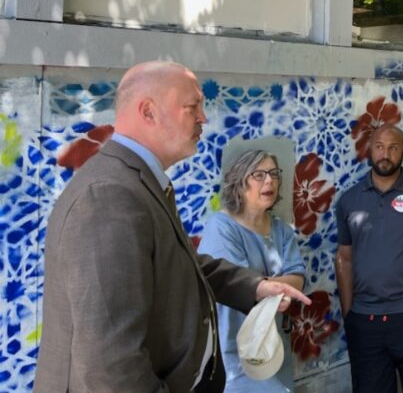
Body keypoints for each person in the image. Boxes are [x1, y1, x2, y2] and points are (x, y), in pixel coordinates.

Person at [35, 61, 310, 393]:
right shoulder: (108, 197)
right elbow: (109, 365)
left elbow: (177, 264)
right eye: (192, 107)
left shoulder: (137, 182)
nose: (203, 118)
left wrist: (255, 287)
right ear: (148, 112)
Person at [334, 124, 403, 393]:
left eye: (393, 147)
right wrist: (350, 314)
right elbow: (344, 259)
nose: (386, 153)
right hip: (365, 320)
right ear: (370, 150)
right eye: (379, 146)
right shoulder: (349, 201)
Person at [198, 149, 306, 392]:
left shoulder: (282, 230)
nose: (269, 180)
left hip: (273, 346)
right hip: (234, 352)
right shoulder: (221, 227)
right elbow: (235, 285)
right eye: (258, 174)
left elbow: (297, 278)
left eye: (273, 174)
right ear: (239, 182)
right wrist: (272, 286)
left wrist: (263, 285)